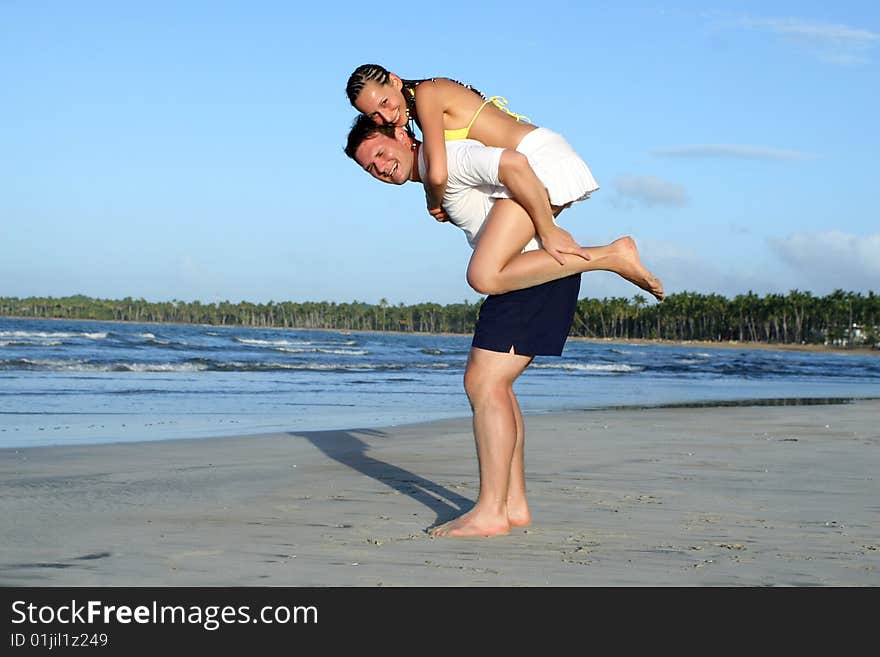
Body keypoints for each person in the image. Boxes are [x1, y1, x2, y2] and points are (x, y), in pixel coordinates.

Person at [344, 115, 663, 537]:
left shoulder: (453, 158)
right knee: (493, 386)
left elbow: (514, 163)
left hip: (536, 276)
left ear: (404, 135)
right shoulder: (437, 175)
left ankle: (493, 510)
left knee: (485, 385)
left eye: (381, 154)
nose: (381, 167)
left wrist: (549, 229)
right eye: (371, 167)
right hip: (529, 276)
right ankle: (512, 505)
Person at [343, 65, 668, 301]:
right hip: (521, 172)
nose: (385, 117)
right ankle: (602, 261)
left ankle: (613, 255)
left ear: (396, 81)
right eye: (374, 115)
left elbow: (438, 172)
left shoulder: (428, 93)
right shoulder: (415, 111)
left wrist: (434, 202)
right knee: (496, 267)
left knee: (484, 274)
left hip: (538, 160)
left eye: (385, 103)